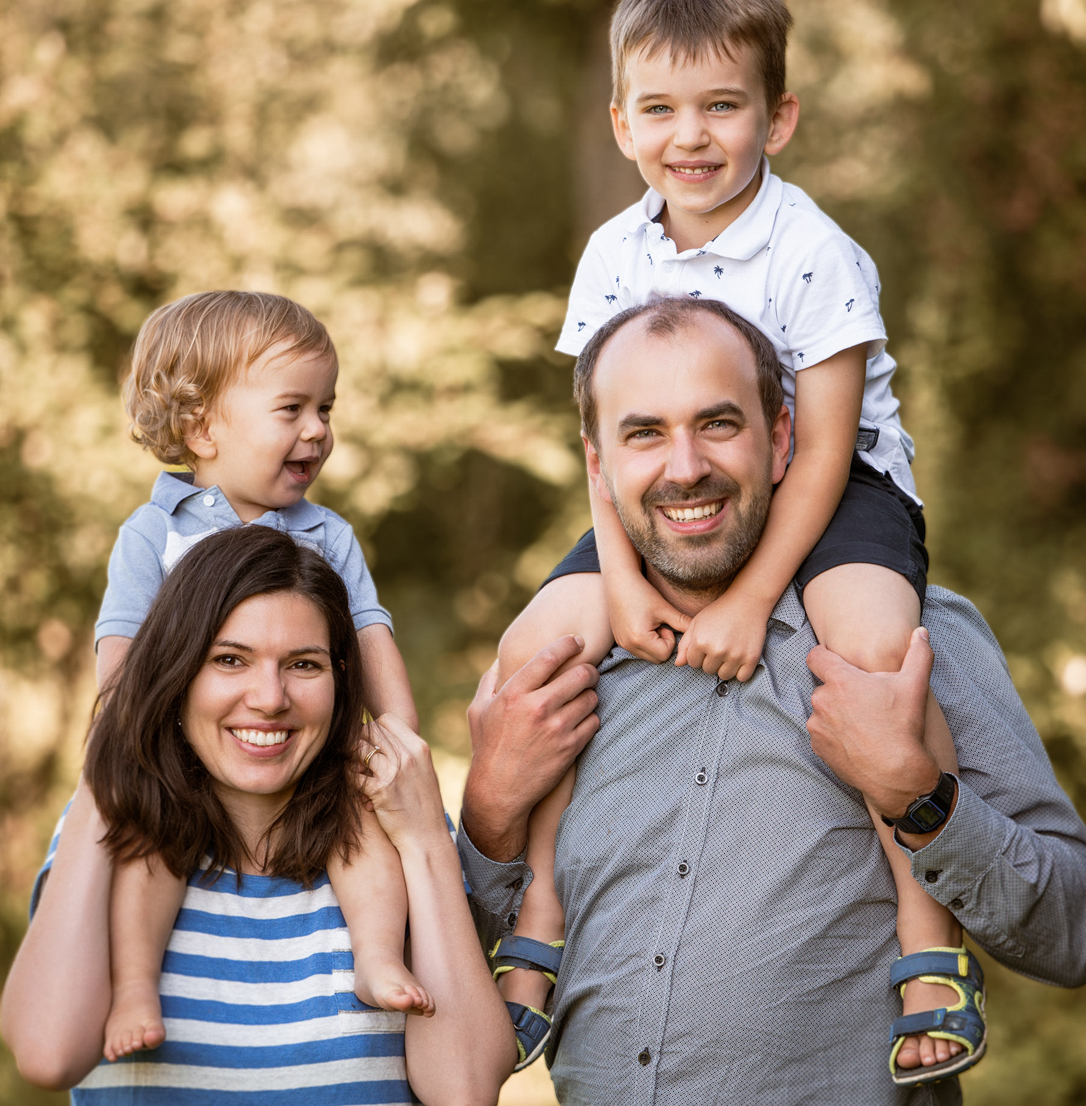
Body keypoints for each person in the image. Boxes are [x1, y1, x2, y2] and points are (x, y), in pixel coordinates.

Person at [492, 0, 964, 1085]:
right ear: (622, 124)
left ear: (777, 118)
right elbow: (601, 445)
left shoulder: (814, 251)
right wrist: (622, 582)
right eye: (659, 108)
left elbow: (826, 448)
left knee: (875, 643)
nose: (690, 135)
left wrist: (754, 600)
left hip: (838, 488)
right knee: (536, 651)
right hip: (665, 497)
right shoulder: (613, 254)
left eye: (721, 105)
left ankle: (926, 938)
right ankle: (541, 914)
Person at [459, 297, 1086, 1104]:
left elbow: (1073, 934)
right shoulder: (554, 678)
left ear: (783, 436)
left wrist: (922, 800)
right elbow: (419, 985)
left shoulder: (903, 646)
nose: (685, 466)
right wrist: (489, 816)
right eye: (644, 433)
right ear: (598, 462)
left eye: (718, 424)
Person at [0, 525, 515, 1104]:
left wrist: (425, 841)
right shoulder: (112, 825)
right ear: (175, 673)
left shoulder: (395, 835)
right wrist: (113, 761)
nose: (270, 698)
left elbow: (466, 1091)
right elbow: (48, 1055)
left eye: (303, 665)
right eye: (229, 660)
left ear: (341, 681)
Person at [91, 290, 425, 1062]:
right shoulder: (156, 533)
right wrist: (127, 740)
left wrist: (398, 738)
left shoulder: (325, 534)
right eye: (292, 409)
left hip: (302, 753)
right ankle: (135, 985)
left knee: (360, 829)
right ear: (201, 427)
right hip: (185, 752)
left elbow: (370, 633)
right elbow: (121, 647)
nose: (318, 430)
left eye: (325, 408)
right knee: (149, 843)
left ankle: (377, 956)